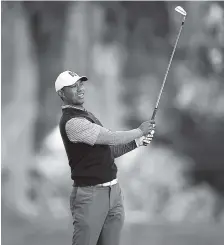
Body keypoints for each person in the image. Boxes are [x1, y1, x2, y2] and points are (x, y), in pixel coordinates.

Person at [55, 70, 156, 245]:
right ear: (61, 94)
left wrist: (136, 143)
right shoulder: (72, 122)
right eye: (73, 86)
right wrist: (139, 131)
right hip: (90, 196)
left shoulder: (87, 116)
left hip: (113, 193)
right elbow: (112, 138)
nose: (80, 89)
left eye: (81, 84)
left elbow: (108, 152)